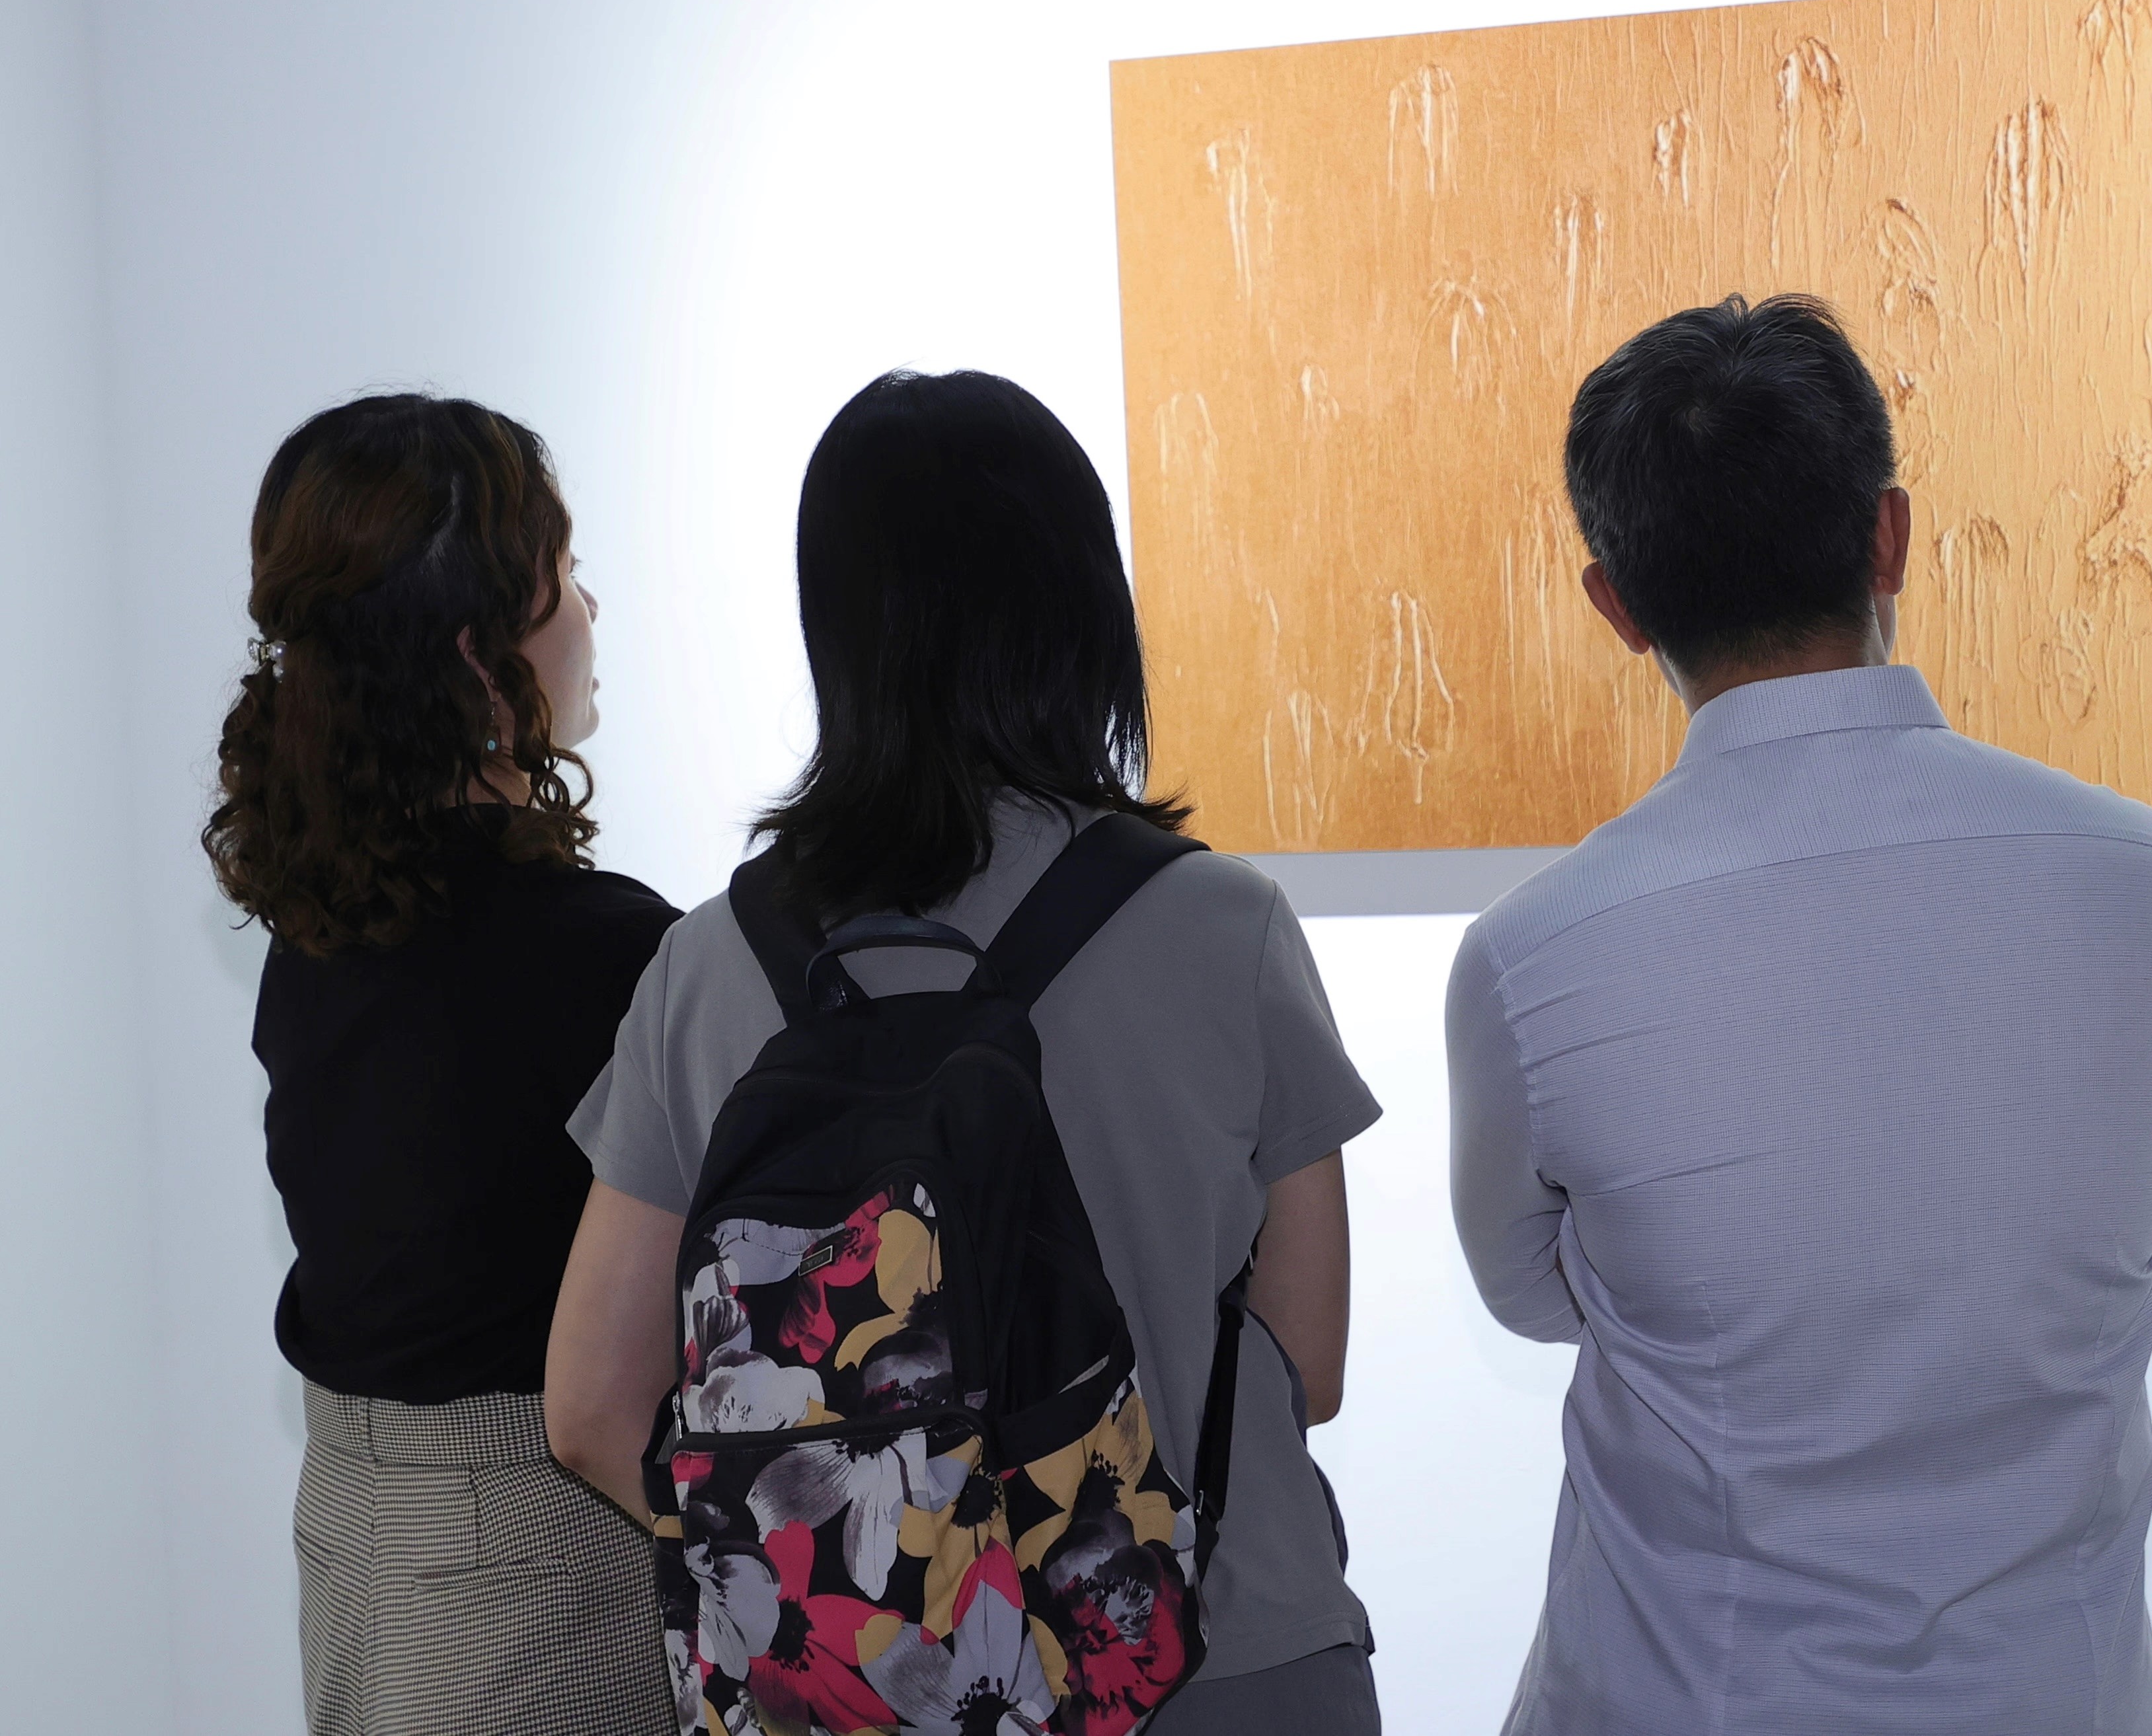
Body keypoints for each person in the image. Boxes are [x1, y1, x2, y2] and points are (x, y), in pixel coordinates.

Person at [545, 369, 1383, 1734]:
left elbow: (590, 1407)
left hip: (866, 1700)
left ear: (837, 632)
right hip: (1215, 1659)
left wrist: (870, 1589)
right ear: (1084, 612)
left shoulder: (707, 967)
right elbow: (1310, 1362)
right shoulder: (1227, 928)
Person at [1447, 295, 2152, 1736]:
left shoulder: (1534, 955)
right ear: (1891, 537)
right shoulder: (2141, 882)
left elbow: (1537, 1292)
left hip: (1693, 1695)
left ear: (1616, 605)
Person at [208, 395, 682, 1736]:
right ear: (481, 658)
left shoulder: (313, 942)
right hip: (544, 1563)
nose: (592, 608)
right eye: (564, 576)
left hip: (353, 1542)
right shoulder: (613, 956)